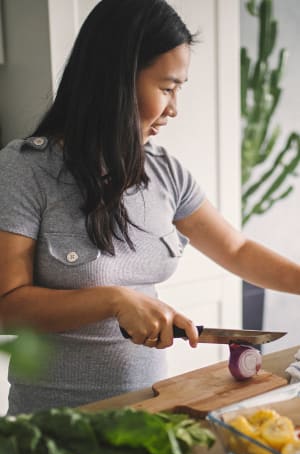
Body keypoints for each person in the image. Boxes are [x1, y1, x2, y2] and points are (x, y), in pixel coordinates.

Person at [0, 0, 300, 416]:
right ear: (115, 81)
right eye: (166, 88)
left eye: (179, 89)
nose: (174, 108)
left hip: (148, 413)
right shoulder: (25, 169)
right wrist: (113, 300)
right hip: (52, 427)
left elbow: (236, 250)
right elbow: (8, 309)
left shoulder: (166, 174)